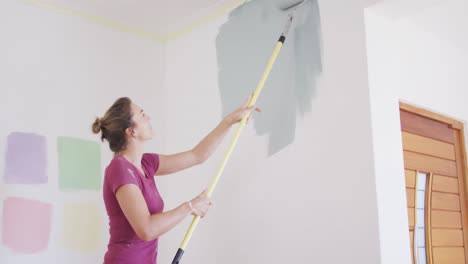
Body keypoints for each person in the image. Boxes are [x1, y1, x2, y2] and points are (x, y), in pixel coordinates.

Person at [91, 96, 258, 263]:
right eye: (142, 115)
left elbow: (197, 155)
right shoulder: (120, 169)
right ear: (131, 131)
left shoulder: (147, 163)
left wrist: (229, 121)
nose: (148, 117)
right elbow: (147, 229)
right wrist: (189, 207)